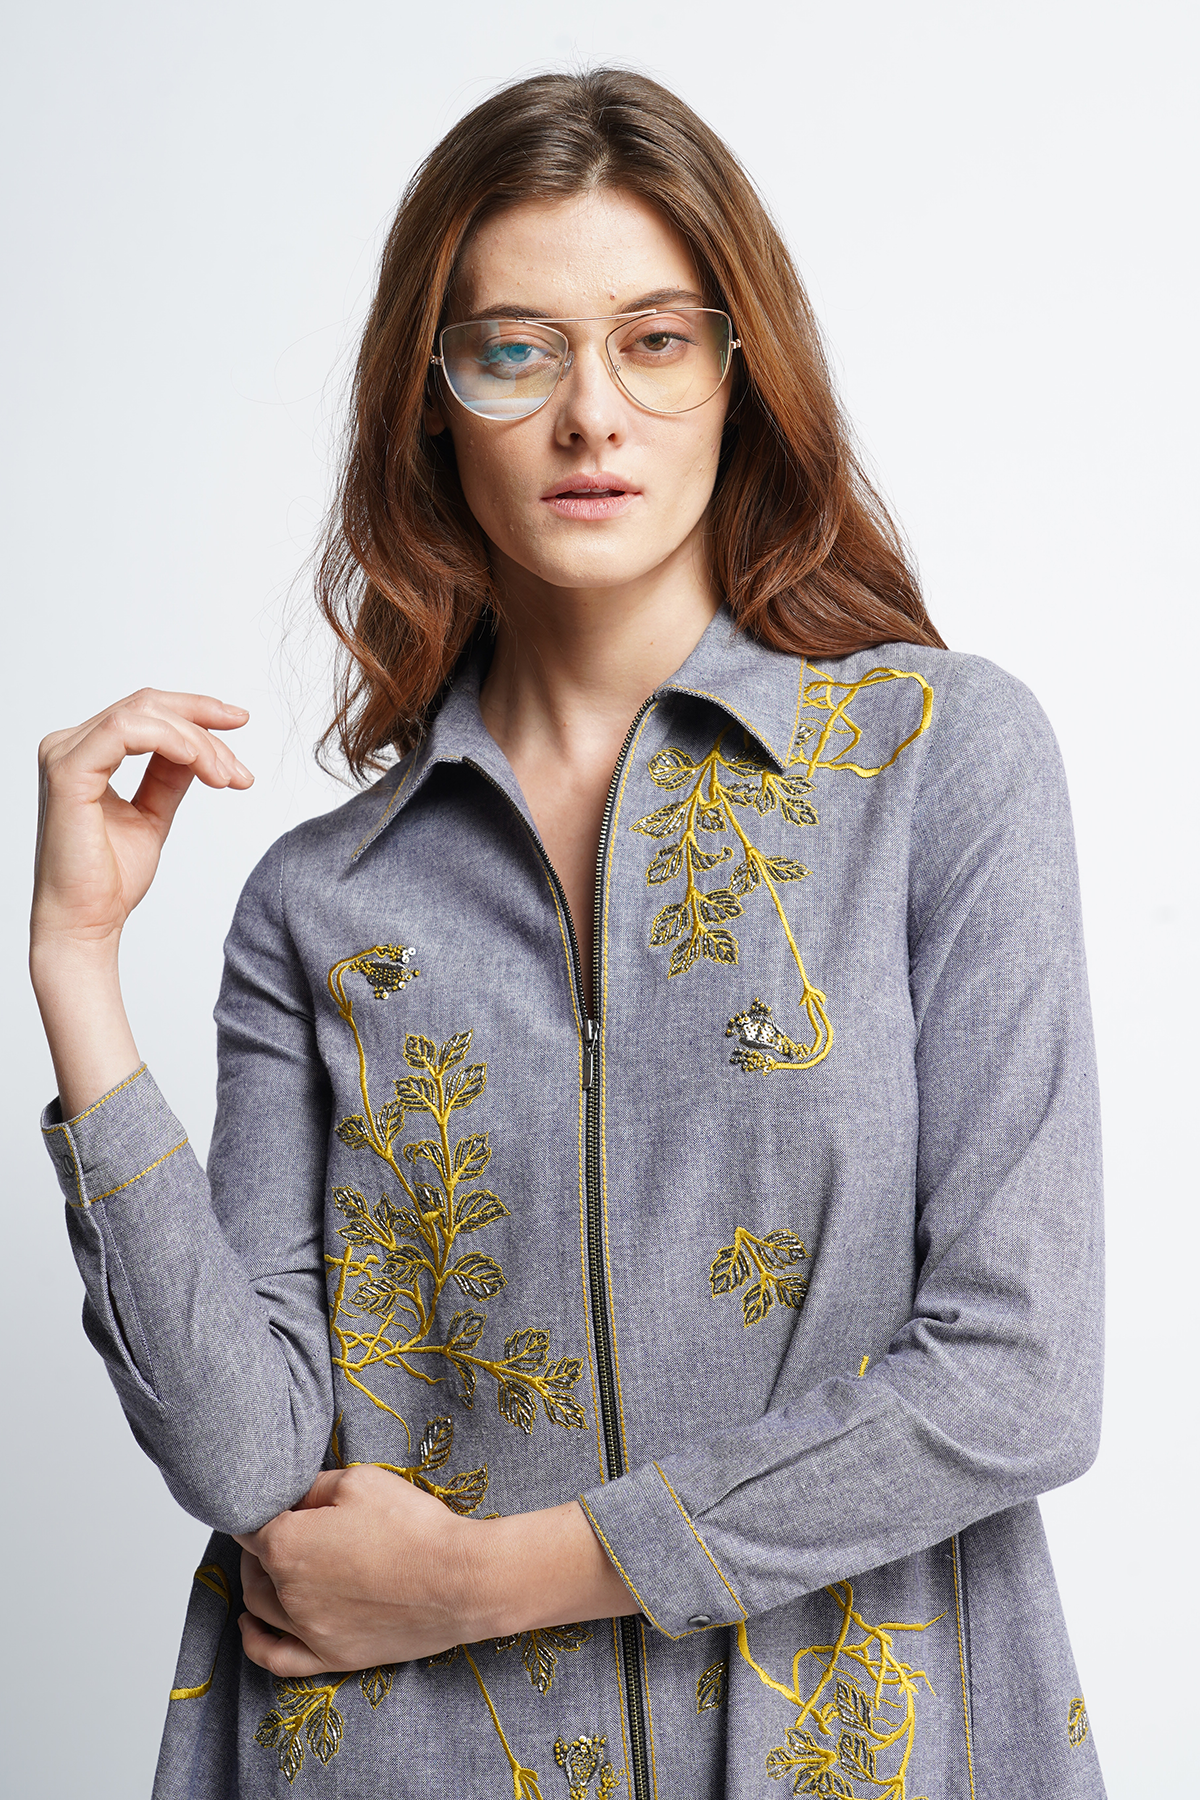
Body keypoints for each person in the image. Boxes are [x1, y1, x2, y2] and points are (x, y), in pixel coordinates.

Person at [30, 68, 1105, 1800]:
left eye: (655, 341)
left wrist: (482, 1582)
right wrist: (78, 971)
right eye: (515, 351)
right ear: (431, 401)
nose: (591, 413)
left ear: (739, 375)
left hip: (859, 1750)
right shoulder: (326, 899)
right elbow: (247, 1460)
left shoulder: (936, 764)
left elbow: (1019, 1376)